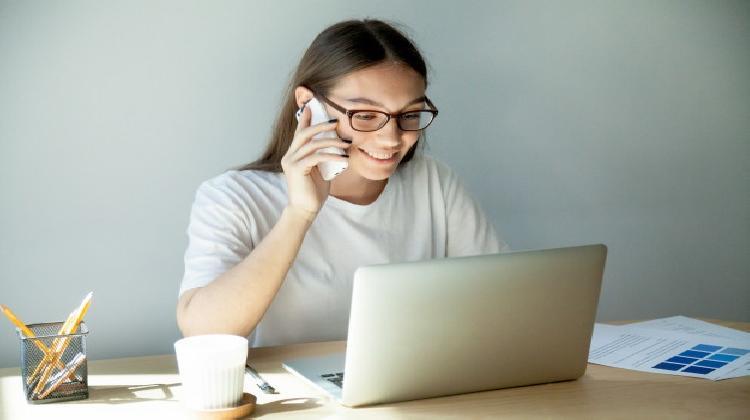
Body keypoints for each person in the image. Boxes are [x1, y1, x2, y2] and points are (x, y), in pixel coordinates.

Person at [176, 19, 509, 346]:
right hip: (299, 396)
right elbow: (204, 333)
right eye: (365, 115)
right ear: (309, 105)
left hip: (415, 387)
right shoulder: (233, 196)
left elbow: (503, 300)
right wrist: (299, 214)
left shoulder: (433, 181)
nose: (391, 138)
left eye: (408, 115)